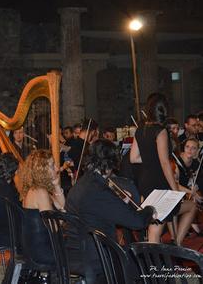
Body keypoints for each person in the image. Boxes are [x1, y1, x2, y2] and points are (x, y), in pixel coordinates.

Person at [66, 139, 156, 283]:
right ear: (110, 163)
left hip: (76, 251)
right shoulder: (98, 191)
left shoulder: (81, 184)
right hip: (97, 258)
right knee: (148, 264)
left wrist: (119, 202)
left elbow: (100, 210)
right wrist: (151, 209)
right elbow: (138, 222)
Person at [130, 93, 197, 245]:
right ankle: (176, 245)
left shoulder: (140, 129)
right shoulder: (161, 131)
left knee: (155, 225)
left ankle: (157, 259)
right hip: (159, 182)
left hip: (145, 182)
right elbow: (165, 163)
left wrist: (149, 159)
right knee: (190, 207)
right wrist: (175, 189)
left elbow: (133, 158)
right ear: (164, 111)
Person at [18, 149, 65, 267]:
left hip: (35, 247)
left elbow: (61, 204)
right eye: (52, 165)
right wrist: (64, 215)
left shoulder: (37, 189)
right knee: (83, 251)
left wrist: (56, 186)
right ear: (42, 171)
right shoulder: (40, 192)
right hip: (43, 252)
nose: (57, 168)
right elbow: (53, 227)